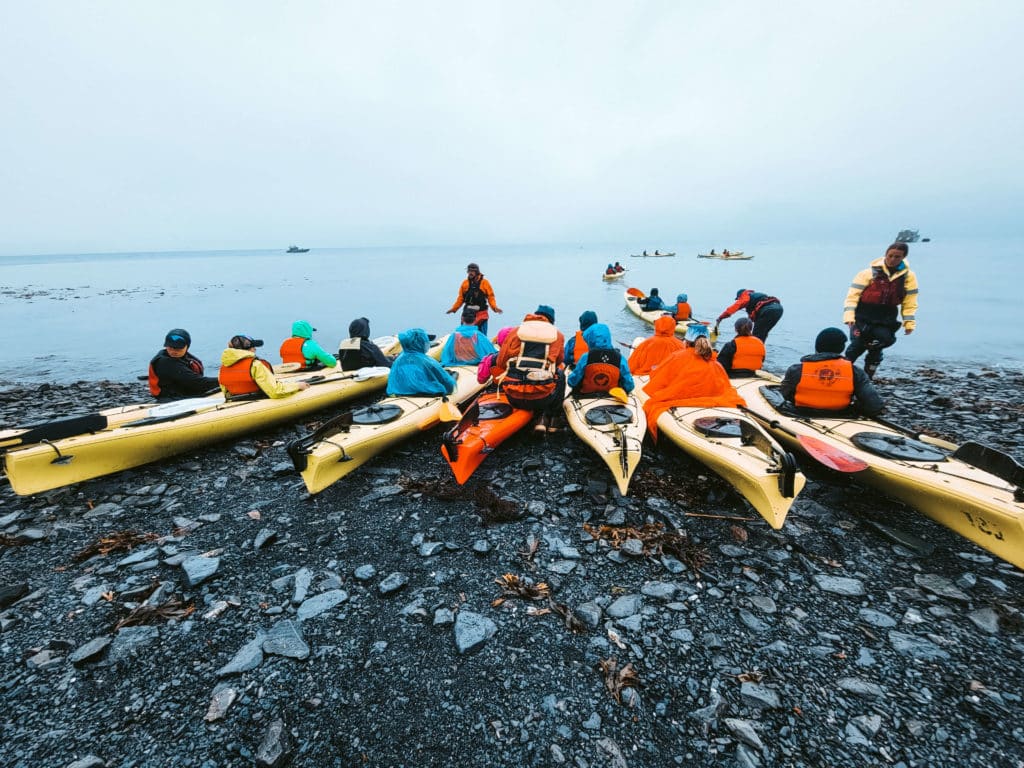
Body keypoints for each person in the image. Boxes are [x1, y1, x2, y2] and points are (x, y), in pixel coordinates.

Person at [641, 324, 744, 438]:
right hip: (715, 401)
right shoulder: (715, 363)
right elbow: (724, 386)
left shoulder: (677, 357)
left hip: (681, 402)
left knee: (651, 403)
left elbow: (657, 380)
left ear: (687, 341)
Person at [843, 242, 919, 379]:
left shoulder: (908, 277)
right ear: (885, 254)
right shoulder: (867, 273)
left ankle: (868, 377)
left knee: (880, 345)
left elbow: (910, 302)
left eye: (897, 257)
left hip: (886, 317)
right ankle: (842, 376)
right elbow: (852, 296)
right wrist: (849, 317)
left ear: (903, 257)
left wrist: (909, 323)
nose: (892, 259)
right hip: (863, 315)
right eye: (890, 256)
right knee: (856, 345)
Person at [492, 304, 566, 432]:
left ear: (535, 315)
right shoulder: (557, 335)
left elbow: (500, 362)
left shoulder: (516, 331)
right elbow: (559, 361)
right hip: (542, 398)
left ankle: (540, 418)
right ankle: (552, 420)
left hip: (513, 396)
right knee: (559, 374)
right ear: (551, 321)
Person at [780, 328, 883, 416]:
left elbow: (784, 395)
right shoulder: (856, 372)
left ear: (817, 347)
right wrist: (855, 407)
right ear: (842, 348)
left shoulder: (796, 370)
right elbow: (874, 406)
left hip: (800, 414)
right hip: (840, 416)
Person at [219, 335, 309, 399]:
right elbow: (275, 392)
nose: (255, 349)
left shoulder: (223, 367)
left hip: (235, 400)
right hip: (258, 399)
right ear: (248, 349)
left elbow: (226, 393)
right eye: (253, 346)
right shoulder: (255, 365)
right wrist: (297, 386)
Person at [148, 328, 219, 401]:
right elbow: (197, 382)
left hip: (186, 393)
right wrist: (224, 380)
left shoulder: (188, 358)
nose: (173, 351)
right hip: (170, 399)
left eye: (178, 348)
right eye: (170, 347)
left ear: (187, 347)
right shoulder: (164, 362)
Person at [567, 323, 635, 396]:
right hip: (612, 396)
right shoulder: (620, 358)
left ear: (591, 339)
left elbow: (572, 382)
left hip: (586, 396)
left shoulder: (586, 357)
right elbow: (629, 386)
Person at [386, 328, 456, 396]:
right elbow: (449, 386)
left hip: (399, 395)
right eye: (425, 341)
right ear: (420, 343)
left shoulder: (398, 360)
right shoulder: (427, 362)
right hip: (426, 397)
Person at [446, 262, 503, 336]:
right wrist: (454, 309)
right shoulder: (465, 283)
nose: (470, 273)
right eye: (469, 271)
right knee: (464, 334)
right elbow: (460, 298)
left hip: (481, 313)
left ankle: (482, 345)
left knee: (481, 335)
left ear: (477, 272)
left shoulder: (484, 283)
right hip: (467, 313)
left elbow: (490, 296)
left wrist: (494, 308)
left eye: (472, 271)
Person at [715, 288, 783, 342]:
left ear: (740, 296)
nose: (738, 300)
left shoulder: (745, 296)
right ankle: (759, 352)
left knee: (757, 334)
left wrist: (721, 317)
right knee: (763, 333)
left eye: (738, 299)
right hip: (779, 310)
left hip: (768, 310)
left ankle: (752, 352)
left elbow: (734, 308)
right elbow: (750, 319)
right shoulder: (756, 297)